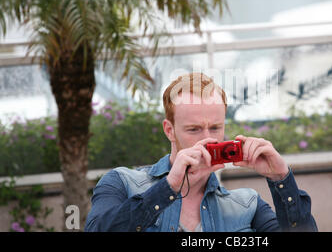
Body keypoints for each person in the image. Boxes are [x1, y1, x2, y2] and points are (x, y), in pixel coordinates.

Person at [85, 72, 318, 232]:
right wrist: (169, 186)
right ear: (170, 130)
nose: (207, 138)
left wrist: (280, 178)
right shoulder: (122, 183)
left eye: (215, 128)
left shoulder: (247, 205)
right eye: (194, 129)